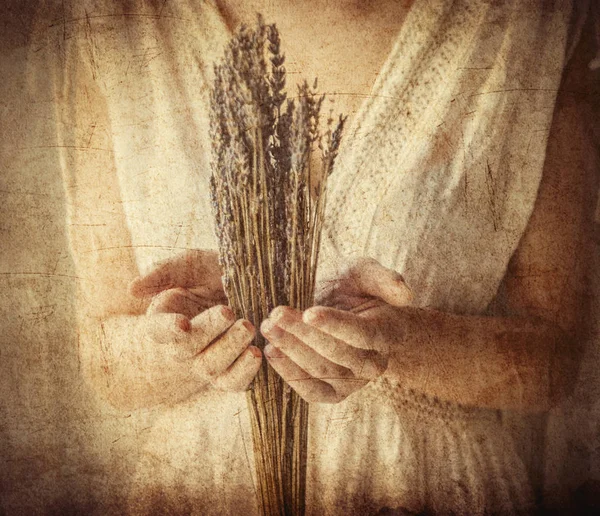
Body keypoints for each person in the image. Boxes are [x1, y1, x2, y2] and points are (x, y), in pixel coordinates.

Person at [29, 0, 599, 513]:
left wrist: (407, 342)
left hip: (420, 487)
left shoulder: (528, 22)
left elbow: (554, 361)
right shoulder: (116, 21)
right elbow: (103, 356)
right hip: (198, 489)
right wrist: (178, 341)